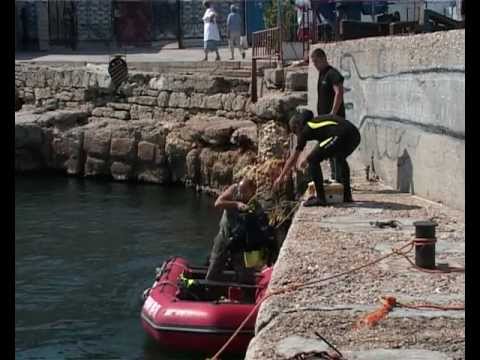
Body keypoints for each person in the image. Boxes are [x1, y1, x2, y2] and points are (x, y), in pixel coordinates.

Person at [273, 109, 361, 206]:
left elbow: (294, 157)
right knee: (339, 157)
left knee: (313, 160)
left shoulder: (305, 129)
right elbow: (321, 146)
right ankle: (347, 195)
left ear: (297, 126)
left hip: (341, 134)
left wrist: (281, 177)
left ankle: (320, 198)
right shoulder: (316, 123)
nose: (297, 135)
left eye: (294, 131)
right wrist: (307, 158)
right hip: (354, 135)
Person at [206, 178, 258, 284]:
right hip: (224, 236)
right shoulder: (234, 189)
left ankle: (244, 292)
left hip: (240, 241)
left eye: (244, 191)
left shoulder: (256, 203)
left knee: (245, 273)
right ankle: (209, 289)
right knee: (214, 266)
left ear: (252, 191)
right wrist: (236, 204)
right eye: (240, 190)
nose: (241, 193)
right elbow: (218, 203)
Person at [311, 47, 346, 184]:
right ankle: (334, 176)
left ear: (323, 59)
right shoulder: (322, 74)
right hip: (325, 121)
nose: (314, 65)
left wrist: (333, 114)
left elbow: (339, 93)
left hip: (334, 120)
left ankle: (339, 178)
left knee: (336, 149)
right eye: (313, 62)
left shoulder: (332, 73)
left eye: (316, 62)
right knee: (328, 148)